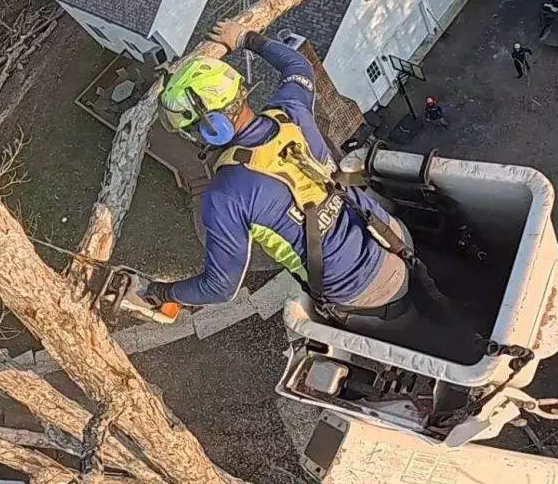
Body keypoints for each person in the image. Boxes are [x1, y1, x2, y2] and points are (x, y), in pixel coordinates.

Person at [138, 20, 416, 322]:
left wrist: (162, 292)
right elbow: (298, 67)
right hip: (393, 238)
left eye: (192, 129)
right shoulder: (291, 111)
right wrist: (245, 38)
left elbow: (220, 287)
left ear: (212, 129)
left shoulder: (226, 194)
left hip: (362, 291)